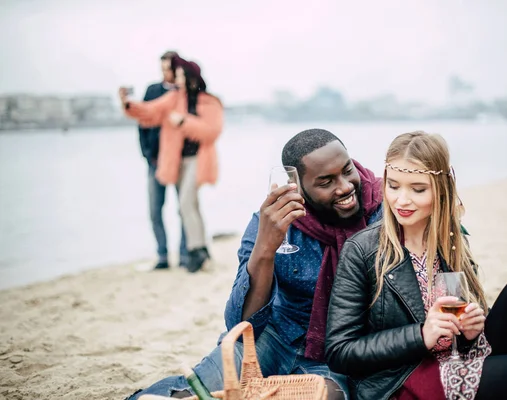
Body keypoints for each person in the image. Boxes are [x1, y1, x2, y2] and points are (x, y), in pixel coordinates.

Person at [324, 131, 507, 399]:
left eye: (418, 189)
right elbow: (339, 351)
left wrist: (470, 330)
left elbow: (455, 318)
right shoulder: (363, 250)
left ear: (441, 190)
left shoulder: (451, 240)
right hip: (402, 380)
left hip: (459, 357)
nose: (401, 200)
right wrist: (421, 334)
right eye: (393, 186)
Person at [126, 129, 383, 400]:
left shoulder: (384, 211)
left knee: (325, 396)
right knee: (194, 391)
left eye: (347, 170)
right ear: (298, 187)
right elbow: (240, 323)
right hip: (275, 337)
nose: (344, 186)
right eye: (326, 181)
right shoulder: (270, 221)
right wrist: (265, 249)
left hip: (335, 353)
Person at [120, 56, 223, 273]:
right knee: (191, 205)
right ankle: (201, 250)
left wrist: (184, 122)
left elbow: (211, 132)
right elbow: (150, 111)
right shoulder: (173, 98)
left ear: (188, 76)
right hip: (176, 160)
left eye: (178, 74)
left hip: (198, 159)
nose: (176, 78)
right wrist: (128, 104)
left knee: (186, 202)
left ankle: (195, 250)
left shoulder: (210, 101)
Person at [138, 50, 188, 270]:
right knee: (154, 210)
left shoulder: (185, 93)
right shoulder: (152, 90)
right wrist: (147, 154)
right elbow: (142, 121)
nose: (165, 73)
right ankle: (162, 256)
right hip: (155, 161)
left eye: (169, 68)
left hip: (180, 160)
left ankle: (186, 255)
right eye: (163, 68)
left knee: (184, 208)